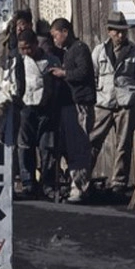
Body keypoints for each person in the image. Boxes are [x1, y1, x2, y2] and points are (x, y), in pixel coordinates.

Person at [88, 11, 135, 200]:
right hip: (104, 102)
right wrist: (97, 95)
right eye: (117, 32)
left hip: (126, 103)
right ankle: (82, 179)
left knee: (124, 144)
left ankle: (118, 184)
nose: (121, 35)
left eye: (123, 32)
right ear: (109, 32)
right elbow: (93, 75)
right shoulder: (99, 50)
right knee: (92, 141)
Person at [49, 18, 95, 203]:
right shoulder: (68, 52)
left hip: (81, 102)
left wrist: (64, 73)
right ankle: (76, 184)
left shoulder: (80, 48)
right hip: (70, 104)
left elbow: (84, 72)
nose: (55, 40)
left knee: (80, 146)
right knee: (72, 146)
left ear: (65, 32)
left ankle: (80, 188)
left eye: (55, 36)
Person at [13, 28, 60, 199]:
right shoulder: (19, 61)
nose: (26, 52)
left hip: (46, 108)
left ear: (35, 44)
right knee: (24, 147)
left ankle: (47, 184)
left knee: (47, 148)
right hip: (26, 108)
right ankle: (28, 183)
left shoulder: (51, 60)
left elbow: (57, 86)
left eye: (28, 48)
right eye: (22, 49)